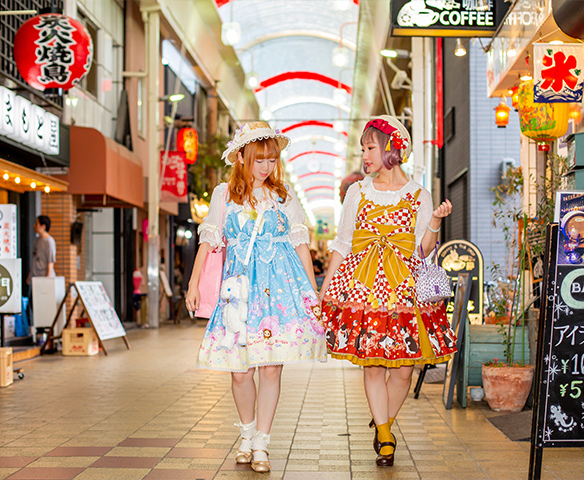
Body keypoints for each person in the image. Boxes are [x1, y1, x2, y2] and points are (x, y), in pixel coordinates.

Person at [185, 121, 326, 473]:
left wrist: (312, 292)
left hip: (278, 290)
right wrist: (193, 283)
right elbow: (209, 240)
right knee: (240, 371)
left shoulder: (284, 196)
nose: (265, 167)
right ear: (242, 157)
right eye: (259, 159)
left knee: (272, 368)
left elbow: (300, 245)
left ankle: (261, 442)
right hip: (239, 292)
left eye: (271, 160)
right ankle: (245, 434)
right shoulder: (223, 195)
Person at [319, 115, 455, 467]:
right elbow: (344, 242)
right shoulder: (357, 192)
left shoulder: (417, 194)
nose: (364, 155)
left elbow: (421, 250)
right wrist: (326, 287)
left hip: (404, 288)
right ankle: (384, 435)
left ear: (392, 148)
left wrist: (436, 222)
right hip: (362, 286)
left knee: (404, 368)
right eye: (363, 148)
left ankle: (384, 421)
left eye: (370, 148)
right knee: (373, 363)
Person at [28, 215, 56, 282]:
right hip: (35, 277)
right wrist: (29, 275)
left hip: (44, 277)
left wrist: (47, 280)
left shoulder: (49, 241)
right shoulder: (37, 240)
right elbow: (34, 258)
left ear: (43, 226)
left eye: (36, 224)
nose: (34, 226)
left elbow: (50, 262)